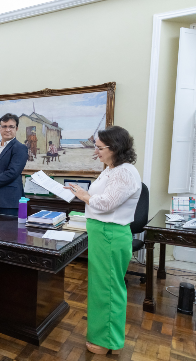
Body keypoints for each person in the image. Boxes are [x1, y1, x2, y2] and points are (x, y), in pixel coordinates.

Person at [65, 126, 140, 355]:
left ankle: (107, 340)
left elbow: (106, 203)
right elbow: (100, 197)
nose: (96, 151)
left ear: (114, 148)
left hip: (110, 235)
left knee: (108, 290)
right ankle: (101, 335)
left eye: (99, 148)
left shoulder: (124, 172)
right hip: (102, 233)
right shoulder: (110, 169)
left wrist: (83, 195)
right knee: (100, 288)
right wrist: (83, 192)